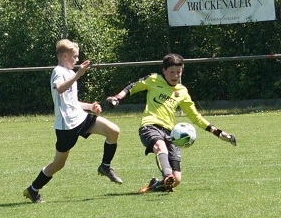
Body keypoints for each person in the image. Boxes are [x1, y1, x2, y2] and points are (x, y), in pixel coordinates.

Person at [106, 52, 236, 193]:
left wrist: (218, 133)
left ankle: (156, 185)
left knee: (177, 179)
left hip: (171, 133)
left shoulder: (182, 91)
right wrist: (117, 98)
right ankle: (167, 175)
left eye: (178, 72)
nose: (175, 76)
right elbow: (133, 87)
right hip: (150, 125)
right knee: (160, 147)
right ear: (164, 70)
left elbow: (195, 116)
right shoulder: (154, 79)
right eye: (172, 72)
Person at [24, 39, 123, 203]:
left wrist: (90, 107)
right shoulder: (58, 71)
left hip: (80, 118)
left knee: (113, 131)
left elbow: (71, 102)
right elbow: (60, 88)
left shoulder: (70, 73)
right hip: (67, 127)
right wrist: (78, 75)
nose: (77, 60)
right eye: (74, 56)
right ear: (64, 56)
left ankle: (105, 166)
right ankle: (33, 190)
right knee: (58, 164)